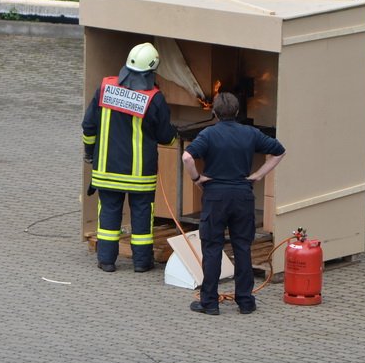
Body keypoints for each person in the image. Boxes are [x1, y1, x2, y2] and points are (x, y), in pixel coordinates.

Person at [182, 92, 286, 315]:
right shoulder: (250, 133)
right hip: (242, 196)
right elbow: (279, 151)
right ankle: (246, 302)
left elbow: (187, 158)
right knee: (242, 247)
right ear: (237, 112)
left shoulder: (208, 134)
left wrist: (197, 179)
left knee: (212, 248)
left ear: (214, 112)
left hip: (215, 197)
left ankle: (209, 303)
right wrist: (258, 175)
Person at [83, 42, 176, 273]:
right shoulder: (154, 98)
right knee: (142, 217)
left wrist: (89, 153)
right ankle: (142, 263)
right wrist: (176, 138)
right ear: (151, 70)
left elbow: (88, 126)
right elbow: (165, 136)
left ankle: (106, 261)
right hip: (139, 175)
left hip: (106, 169)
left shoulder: (105, 88)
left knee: (108, 215)